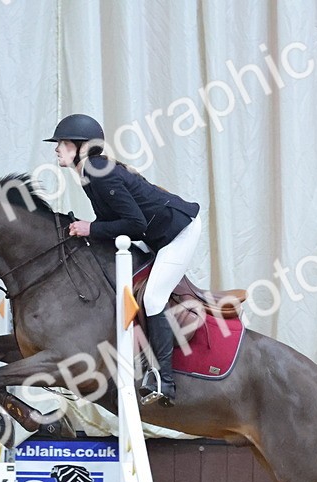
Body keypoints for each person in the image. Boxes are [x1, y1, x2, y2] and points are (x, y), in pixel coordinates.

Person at [45, 113, 201, 406]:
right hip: (157, 232)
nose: (56, 149)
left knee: (153, 298)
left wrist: (90, 228)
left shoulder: (97, 171)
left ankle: (165, 381)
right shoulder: (90, 172)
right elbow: (111, 219)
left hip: (178, 232)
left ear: (80, 147)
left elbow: (135, 224)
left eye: (62, 143)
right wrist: (87, 228)